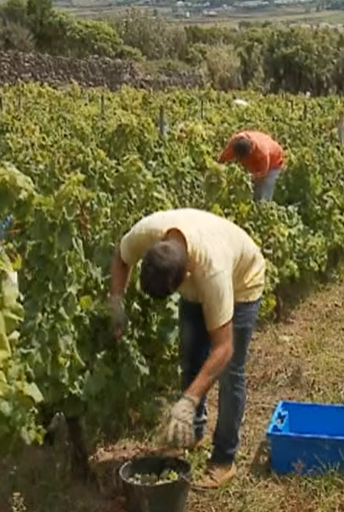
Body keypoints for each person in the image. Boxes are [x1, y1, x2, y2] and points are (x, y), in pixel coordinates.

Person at [108, 208, 266, 489]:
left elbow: (224, 348)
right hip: (202, 273)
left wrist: (188, 400)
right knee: (190, 357)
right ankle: (190, 433)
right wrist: (116, 303)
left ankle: (223, 460)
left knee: (230, 374)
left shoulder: (212, 272)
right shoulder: (147, 233)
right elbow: (121, 259)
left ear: (187, 275)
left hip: (242, 281)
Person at [217, 131, 285, 202]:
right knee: (251, 188)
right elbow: (223, 158)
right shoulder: (235, 142)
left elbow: (263, 173)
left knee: (264, 187)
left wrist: (249, 177)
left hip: (274, 162)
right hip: (255, 159)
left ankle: (263, 207)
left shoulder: (262, 152)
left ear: (250, 152)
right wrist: (217, 167)